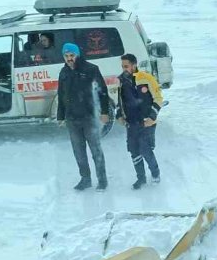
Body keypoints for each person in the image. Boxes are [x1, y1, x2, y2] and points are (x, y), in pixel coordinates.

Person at [56, 42, 110, 191]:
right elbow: (61, 95)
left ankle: (102, 180)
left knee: (96, 150)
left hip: (89, 117)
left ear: (78, 55)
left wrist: (105, 112)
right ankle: (85, 179)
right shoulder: (63, 72)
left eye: (72, 55)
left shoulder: (91, 69)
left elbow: (102, 91)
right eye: (66, 56)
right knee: (79, 152)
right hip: (72, 119)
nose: (69, 58)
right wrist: (60, 116)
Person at [117, 52, 163, 189]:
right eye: (122, 66)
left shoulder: (146, 78)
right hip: (131, 123)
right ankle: (141, 178)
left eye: (126, 66)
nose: (124, 69)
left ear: (134, 65)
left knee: (145, 149)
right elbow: (119, 101)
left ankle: (155, 173)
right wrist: (119, 115)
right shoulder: (121, 81)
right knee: (134, 151)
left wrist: (152, 117)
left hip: (146, 122)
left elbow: (158, 98)